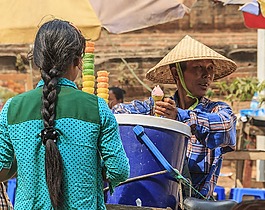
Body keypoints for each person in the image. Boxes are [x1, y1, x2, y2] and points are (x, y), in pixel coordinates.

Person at [0, 19, 129, 209]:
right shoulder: (97, 108)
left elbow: (1, 169)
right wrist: (94, 169)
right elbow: (119, 171)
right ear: (77, 60)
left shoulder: (12, 108)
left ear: (37, 60)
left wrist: (28, 160)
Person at [112, 35, 237, 199]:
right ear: (176, 73)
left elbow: (226, 127)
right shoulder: (159, 107)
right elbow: (118, 111)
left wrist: (180, 117)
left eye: (210, 68)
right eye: (198, 67)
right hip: (157, 198)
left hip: (197, 203)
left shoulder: (216, 110)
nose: (206, 75)